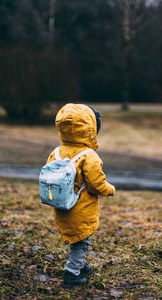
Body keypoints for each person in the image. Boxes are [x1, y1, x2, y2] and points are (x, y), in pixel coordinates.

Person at [46, 103, 115, 288]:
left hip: (62, 206)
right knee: (81, 242)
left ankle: (81, 265)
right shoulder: (88, 156)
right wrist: (109, 189)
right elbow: (96, 183)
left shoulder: (57, 152)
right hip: (81, 208)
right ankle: (72, 273)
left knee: (77, 238)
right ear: (90, 130)